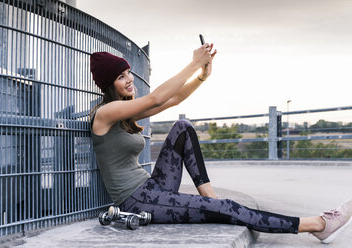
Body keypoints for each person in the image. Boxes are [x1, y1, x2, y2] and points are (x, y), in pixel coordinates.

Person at [89, 44, 352, 244]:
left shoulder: (123, 111)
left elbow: (173, 100)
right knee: (230, 209)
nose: (129, 79)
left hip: (152, 187)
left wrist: (201, 75)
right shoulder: (104, 114)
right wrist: (193, 63)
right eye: (121, 76)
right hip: (136, 201)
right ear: (108, 85)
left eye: (128, 72)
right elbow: (157, 98)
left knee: (183, 127)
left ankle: (210, 199)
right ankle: (318, 225)